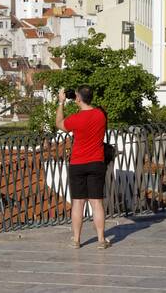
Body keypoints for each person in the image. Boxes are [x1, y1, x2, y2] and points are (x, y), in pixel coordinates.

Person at [56, 86, 109, 249]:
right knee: (96, 203)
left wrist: (61, 102)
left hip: (78, 163)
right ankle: (101, 240)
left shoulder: (75, 119)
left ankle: (76, 240)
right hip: (96, 162)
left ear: (78, 98)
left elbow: (59, 124)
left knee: (78, 203)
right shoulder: (101, 115)